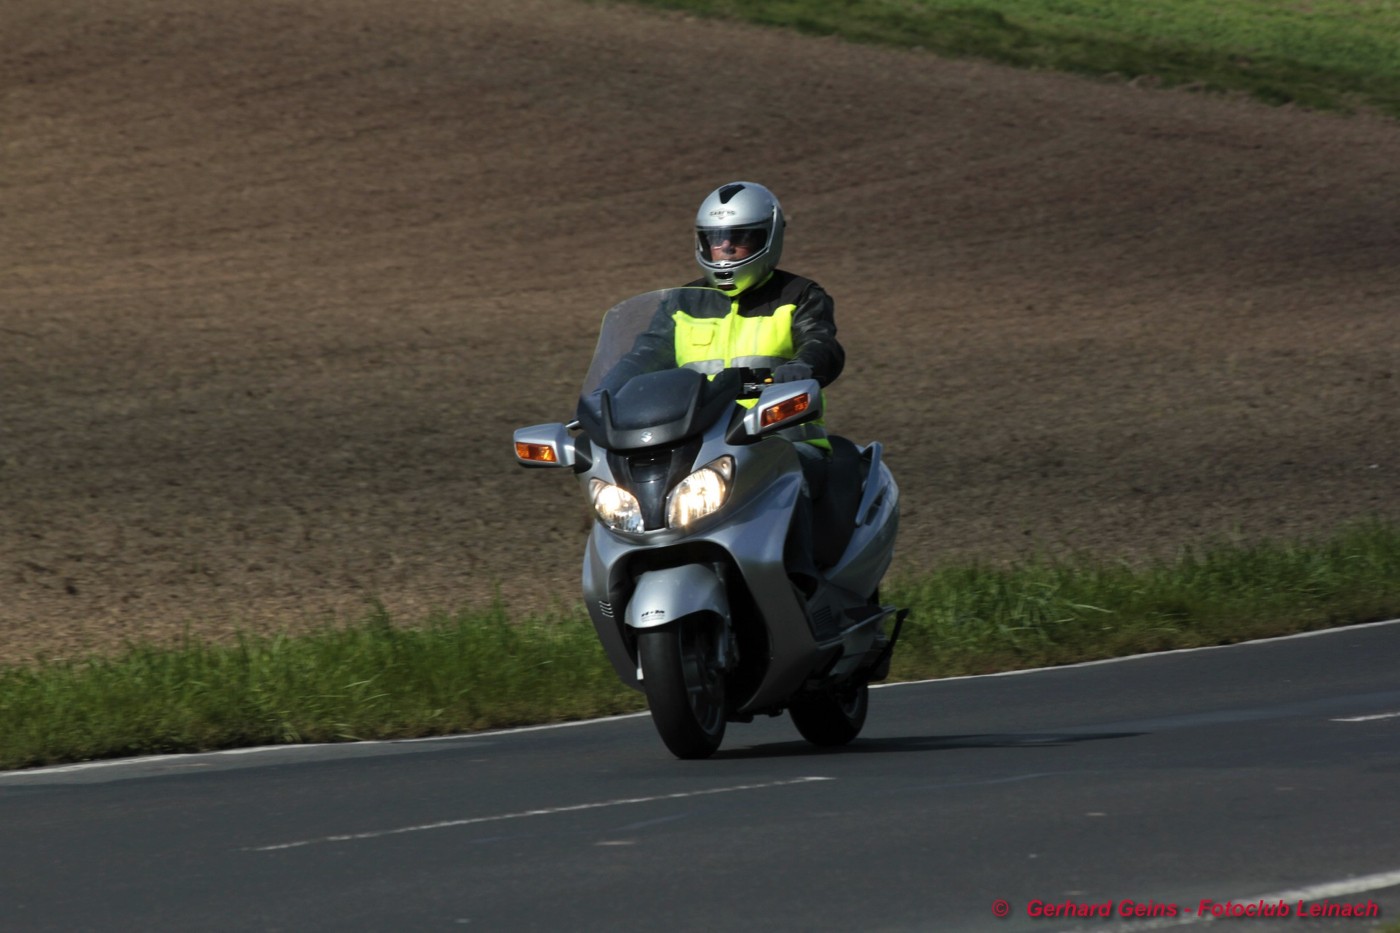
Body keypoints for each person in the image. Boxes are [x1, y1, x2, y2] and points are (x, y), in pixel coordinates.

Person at [601, 181, 844, 596]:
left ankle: (801, 586)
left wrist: (803, 367)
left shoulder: (799, 296)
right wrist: (605, 395)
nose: (726, 247)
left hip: (779, 437)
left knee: (790, 480)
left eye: (740, 237)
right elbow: (644, 356)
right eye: (716, 238)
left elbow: (822, 344)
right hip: (700, 441)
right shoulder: (684, 302)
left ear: (768, 238)